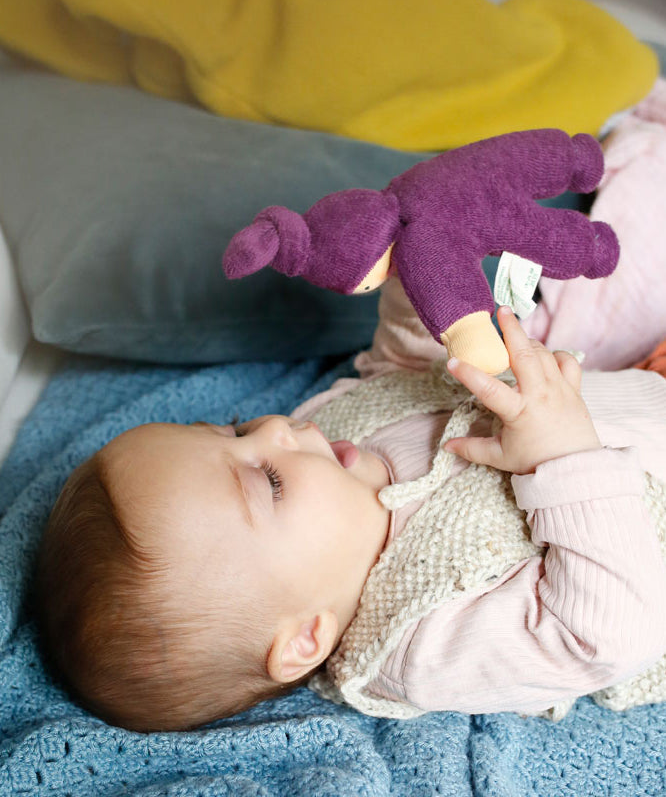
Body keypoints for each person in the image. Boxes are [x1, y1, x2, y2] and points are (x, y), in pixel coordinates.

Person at [35, 268, 666, 732]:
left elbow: (403, 374)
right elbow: (604, 634)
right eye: (267, 481)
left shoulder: (331, 440)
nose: (277, 430)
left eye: (235, 429)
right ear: (306, 636)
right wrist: (558, 456)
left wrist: (419, 282)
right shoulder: (421, 641)